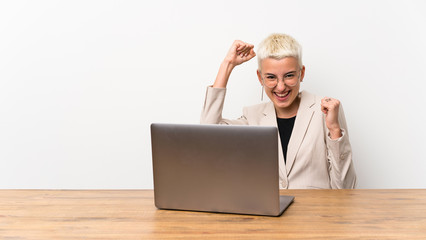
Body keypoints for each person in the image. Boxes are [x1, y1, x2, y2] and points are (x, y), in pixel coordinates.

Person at [200, 33, 357, 189]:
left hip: (315, 212)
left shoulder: (326, 110)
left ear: (301, 73)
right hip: (269, 212)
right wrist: (227, 64)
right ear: (260, 78)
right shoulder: (252, 116)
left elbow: (345, 188)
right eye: (271, 77)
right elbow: (207, 138)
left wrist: (335, 130)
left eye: (289, 76)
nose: (281, 87)